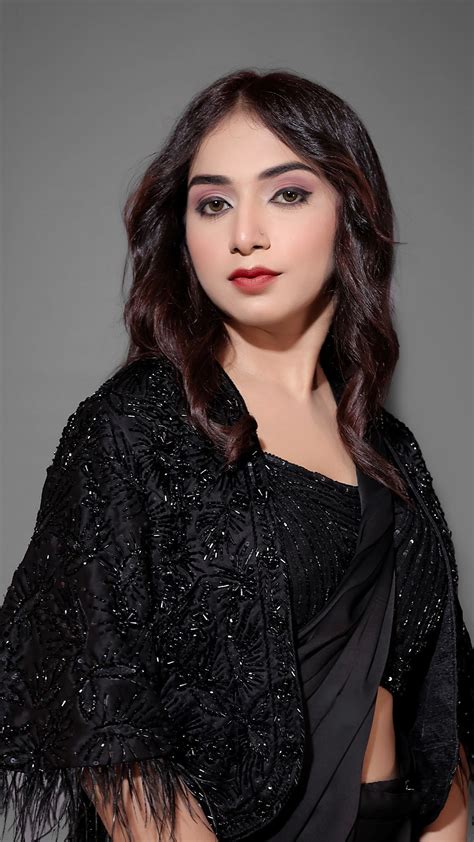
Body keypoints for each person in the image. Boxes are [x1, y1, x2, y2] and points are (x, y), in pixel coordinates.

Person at [0, 68, 472, 842]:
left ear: (352, 215)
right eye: (213, 203)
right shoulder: (133, 426)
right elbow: (102, 711)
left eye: (287, 193)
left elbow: (438, 697)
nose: (244, 233)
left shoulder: (391, 448)